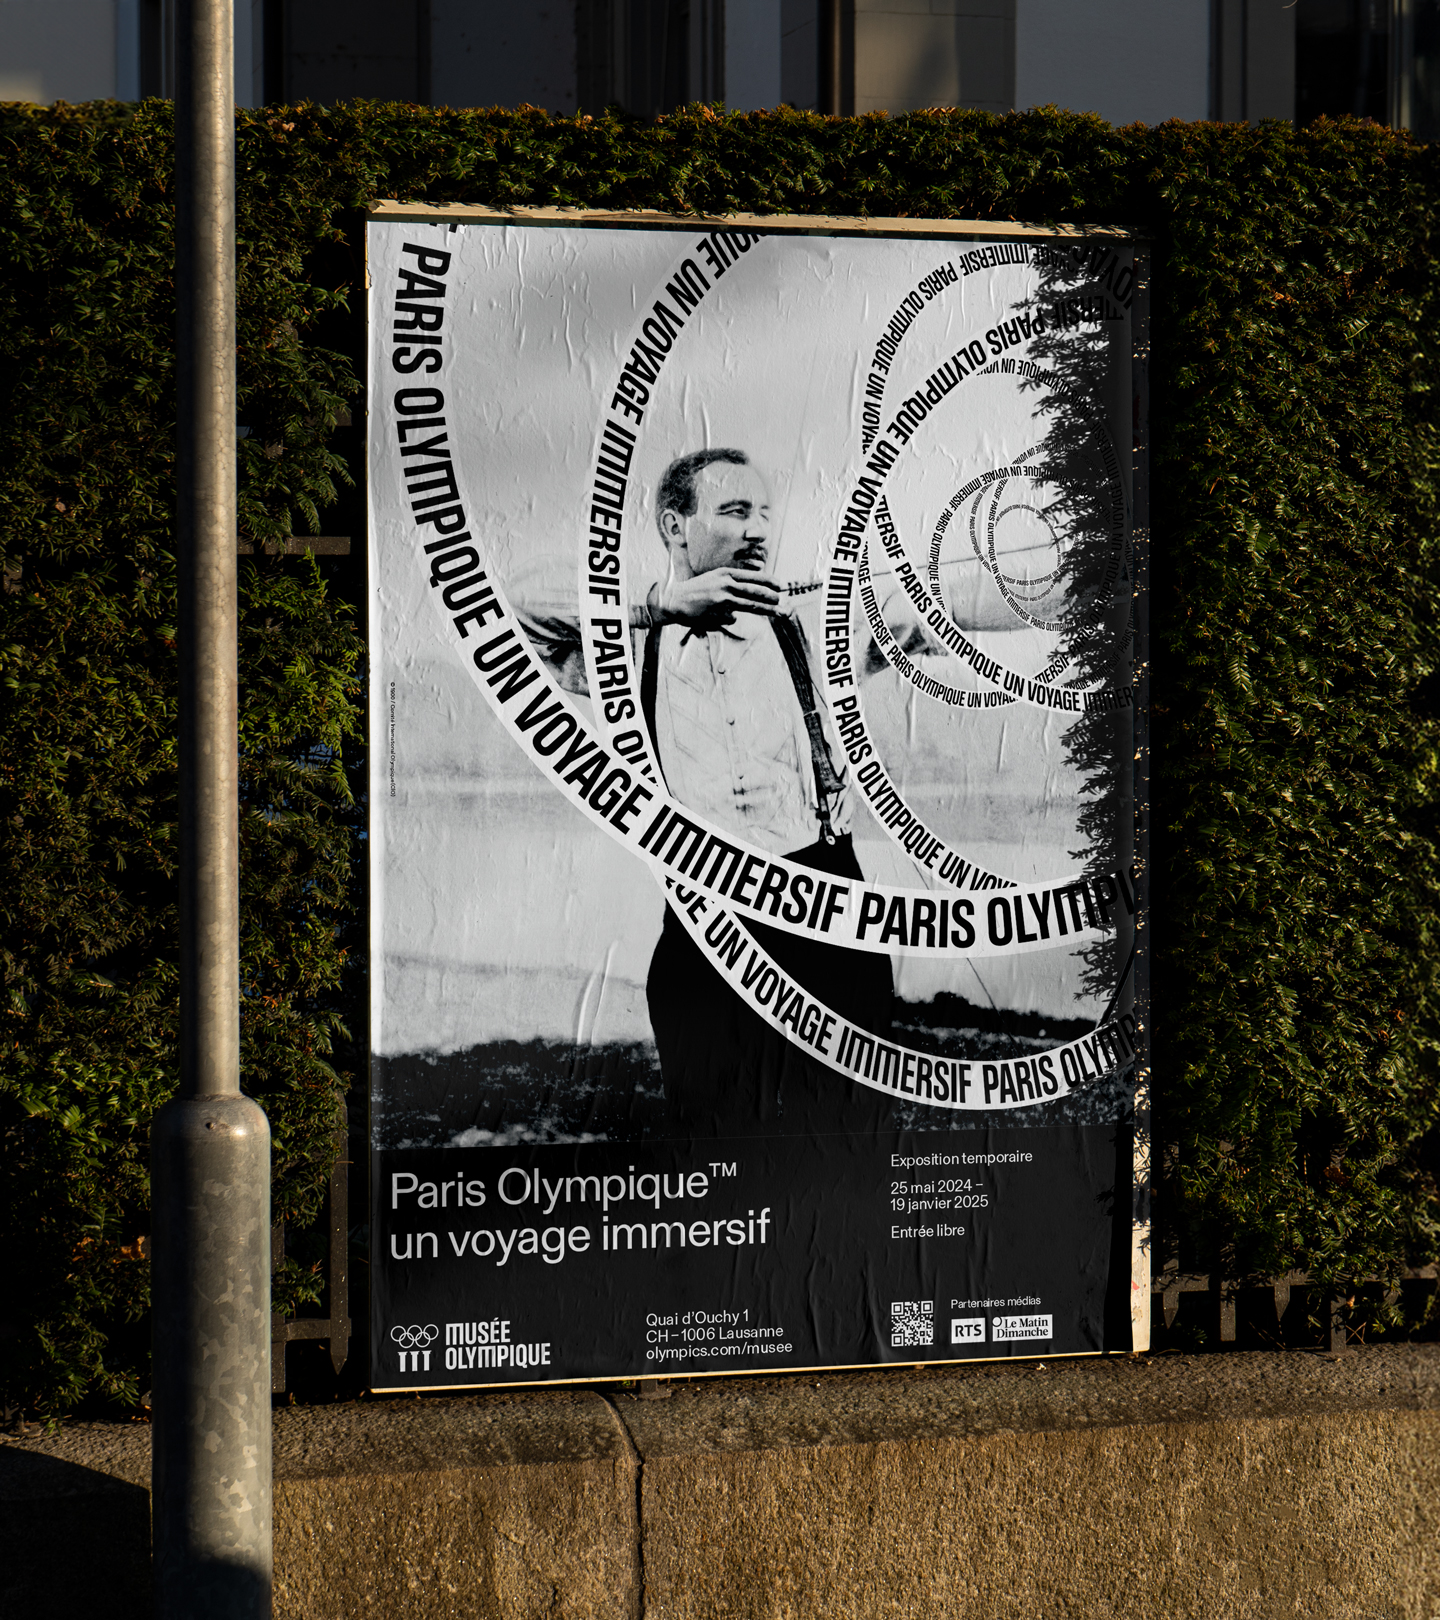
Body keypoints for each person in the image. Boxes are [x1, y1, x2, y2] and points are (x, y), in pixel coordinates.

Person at [516, 448, 1015, 1132]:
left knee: (847, 1136)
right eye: (733, 511)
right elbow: (516, 605)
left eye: (763, 513)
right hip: (703, 924)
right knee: (714, 1139)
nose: (757, 530)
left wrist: (1088, 579)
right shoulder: (626, 648)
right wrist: (661, 603)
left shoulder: (810, 621)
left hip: (828, 914)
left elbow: (949, 604)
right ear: (674, 526)